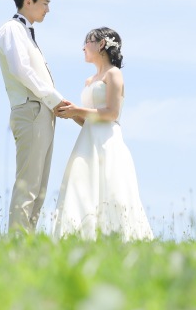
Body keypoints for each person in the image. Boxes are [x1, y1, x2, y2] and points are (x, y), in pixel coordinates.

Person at [53, 27, 154, 241]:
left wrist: (78, 109)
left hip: (108, 141)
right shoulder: (89, 81)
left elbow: (111, 113)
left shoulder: (113, 74)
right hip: (87, 141)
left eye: (87, 42)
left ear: (101, 45)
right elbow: (89, 120)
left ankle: (117, 239)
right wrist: (71, 114)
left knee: (111, 189)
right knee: (83, 188)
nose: (83, 47)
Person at [0, 0, 70, 233]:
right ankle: (16, 244)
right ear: (28, 1)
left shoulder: (26, 32)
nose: (48, 9)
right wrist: (54, 99)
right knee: (28, 185)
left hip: (42, 112)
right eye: (45, 3)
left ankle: (27, 243)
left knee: (39, 188)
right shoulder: (12, 29)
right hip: (31, 109)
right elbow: (21, 70)